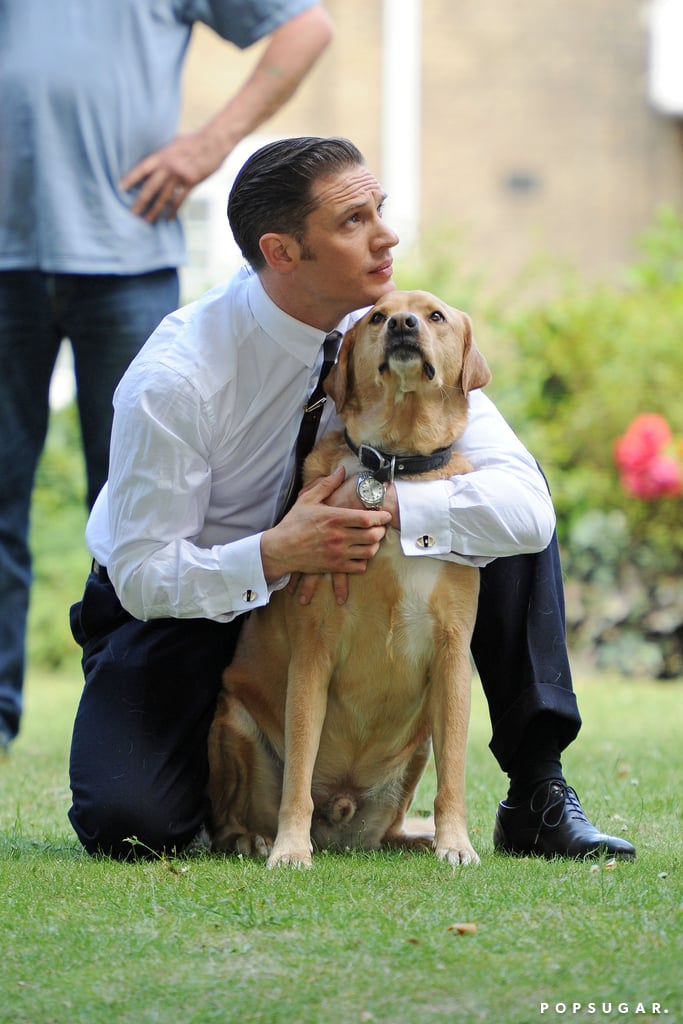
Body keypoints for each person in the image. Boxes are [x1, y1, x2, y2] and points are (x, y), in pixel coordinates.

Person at [67, 136, 635, 862]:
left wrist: (395, 510)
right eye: (352, 221)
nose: (386, 235)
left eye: (380, 211)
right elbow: (145, 574)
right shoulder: (177, 379)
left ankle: (536, 788)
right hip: (185, 601)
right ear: (282, 253)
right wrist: (274, 552)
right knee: (133, 823)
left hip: (327, 562)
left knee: (498, 512)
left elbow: (524, 506)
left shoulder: (392, 329)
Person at [0, 1, 334, 754]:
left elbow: (307, 25)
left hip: (126, 256)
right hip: (3, 260)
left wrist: (208, 145)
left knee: (137, 514)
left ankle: (128, 721)